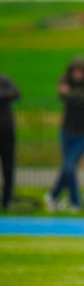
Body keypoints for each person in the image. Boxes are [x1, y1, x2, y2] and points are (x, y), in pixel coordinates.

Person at [45, 55, 84, 213]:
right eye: (75, 71)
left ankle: (54, 196)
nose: (77, 74)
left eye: (80, 71)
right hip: (67, 131)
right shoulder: (65, 79)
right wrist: (73, 96)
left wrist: (70, 94)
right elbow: (61, 95)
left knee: (69, 165)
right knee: (69, 167)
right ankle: (74, 202)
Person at [0, 73, 20, 210]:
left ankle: (7, 200)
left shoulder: (4, 80)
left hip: (7, 134)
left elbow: (16, 93)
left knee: (8, 168)